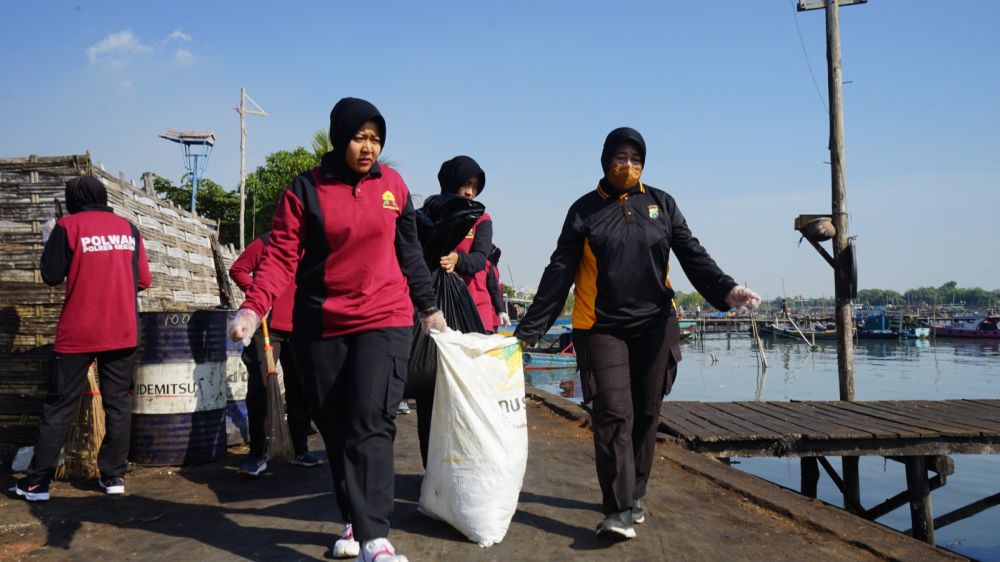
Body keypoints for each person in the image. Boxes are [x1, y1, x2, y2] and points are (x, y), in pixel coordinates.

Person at [513, 127, 760, 540]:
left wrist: (726, 289)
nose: (627, 166)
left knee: (647, 414)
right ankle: (618, 509)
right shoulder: (584, 210)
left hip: (656, 326)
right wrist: (529, 331)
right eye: (619, 158)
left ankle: (635, 493)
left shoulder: (661, 204)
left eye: (635, 159)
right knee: (613, 414)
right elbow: (559, 271)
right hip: (600, 326)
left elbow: (693, 254)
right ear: (605, 160)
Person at [229, 97, 445, 562]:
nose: (368, 147)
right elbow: (281, 257)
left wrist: (428, 308)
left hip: (385, 317)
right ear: (339, 136)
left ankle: (375, 537)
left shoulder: (395, 187)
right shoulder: (304, 190)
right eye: (359, 137)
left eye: (375, 138)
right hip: (322, 322)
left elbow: (410, 252)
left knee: (373, 421)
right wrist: (252, 309)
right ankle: (354, 519)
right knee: (336, 426)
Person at [9, 175, 152, 502]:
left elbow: (51, 275)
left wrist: (50, 238)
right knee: (118, 405)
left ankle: (37, 484)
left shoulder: (68, 227)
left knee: (59, 406)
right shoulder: (129, 229)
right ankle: (113, 476)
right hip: (124, 331)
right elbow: (144, 280)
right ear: (103, 196)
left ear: (72, 199)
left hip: (79, 333)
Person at [229, 232, 322, 476]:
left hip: (301, 327)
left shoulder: (312, 244)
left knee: (300, 388)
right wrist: (258, 292)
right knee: (261, 388)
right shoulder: (266, 242)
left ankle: (300, 448)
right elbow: (238, 269)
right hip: (266, 327)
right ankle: (258, 453)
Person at [436, 155, 497, 332]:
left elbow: (480, 259)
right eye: (465, 185)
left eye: (475, 187)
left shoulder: (482, 219)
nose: (470, 192)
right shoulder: (432, 214)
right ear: (450, 183)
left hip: (475, 306)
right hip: (438, 307)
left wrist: (457, 260)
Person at [485, 245, 511, 330]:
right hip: (492, 315)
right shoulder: (494, 269)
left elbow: (494, 291)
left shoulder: (489, 268)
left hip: (492, 314)